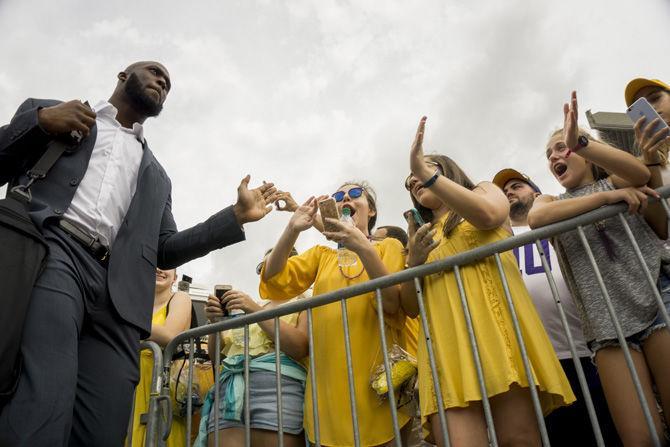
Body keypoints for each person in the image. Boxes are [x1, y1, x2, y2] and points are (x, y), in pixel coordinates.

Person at [0, 61, 279, 446]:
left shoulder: (157, 175)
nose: (163, 81)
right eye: (154, 72)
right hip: (54, 251)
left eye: (168, 82)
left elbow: (166, 249)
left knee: (105, 419)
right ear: (121, 76)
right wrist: (42, 121)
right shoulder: (51, 112)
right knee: (45, 393)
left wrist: (235, 217)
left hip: (119, 292)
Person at [399, 117, 574, 447]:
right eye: (410, 184)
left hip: (497, 331)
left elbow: (490, 216)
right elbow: (409, 306)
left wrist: (426, 174)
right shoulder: (419, 234)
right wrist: (415, 263)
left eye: (421, 172)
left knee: (518, 438)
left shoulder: (483, 190)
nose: (414, 183)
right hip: (445, 344)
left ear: (445, 171)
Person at [528, 91, 670, 444]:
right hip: (605, 326)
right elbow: (536, 216)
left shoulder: (617, 180)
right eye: (549, 155)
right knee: (640, 437)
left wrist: (582, 142)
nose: (555, 157)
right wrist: (606, 200)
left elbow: (640, 171)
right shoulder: (553, 201)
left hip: (656, 302)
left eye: (562, 148)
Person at [261, 183, 411, 446]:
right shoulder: (322, 256)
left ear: (371, 211)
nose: (345, 200)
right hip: (327, 400)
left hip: (378, 389)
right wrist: (292, 229)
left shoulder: (389, 247)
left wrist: (362, 247)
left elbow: (391, 304)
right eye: (339, 197)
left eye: (355, 195)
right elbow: (273, 278)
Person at [492, 168, 620, 445]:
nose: (510, 191)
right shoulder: (495, 238)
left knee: (607, 430)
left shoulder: (554, 217)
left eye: (517, 185)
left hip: (584, 347)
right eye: (504, 191)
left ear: (536, 193)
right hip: (536, 360)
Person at [195, 248, 308, 447]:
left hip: (277, 389)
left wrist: (253, 310)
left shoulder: (306, 301)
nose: (266, 272)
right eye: (262, 268)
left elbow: (299, 347)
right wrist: (214, 322)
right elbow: (216, 358)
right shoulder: (248, 307)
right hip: (229, 390)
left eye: (274, 265)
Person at [129, 267, 192, 447]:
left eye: (167, 265)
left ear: (175, 277)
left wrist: (124, 322)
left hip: (158, 387)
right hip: (130, 383)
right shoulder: (134, 302)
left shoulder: (180, 298)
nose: (159, 269)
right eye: (154, 262)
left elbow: (169, 334)